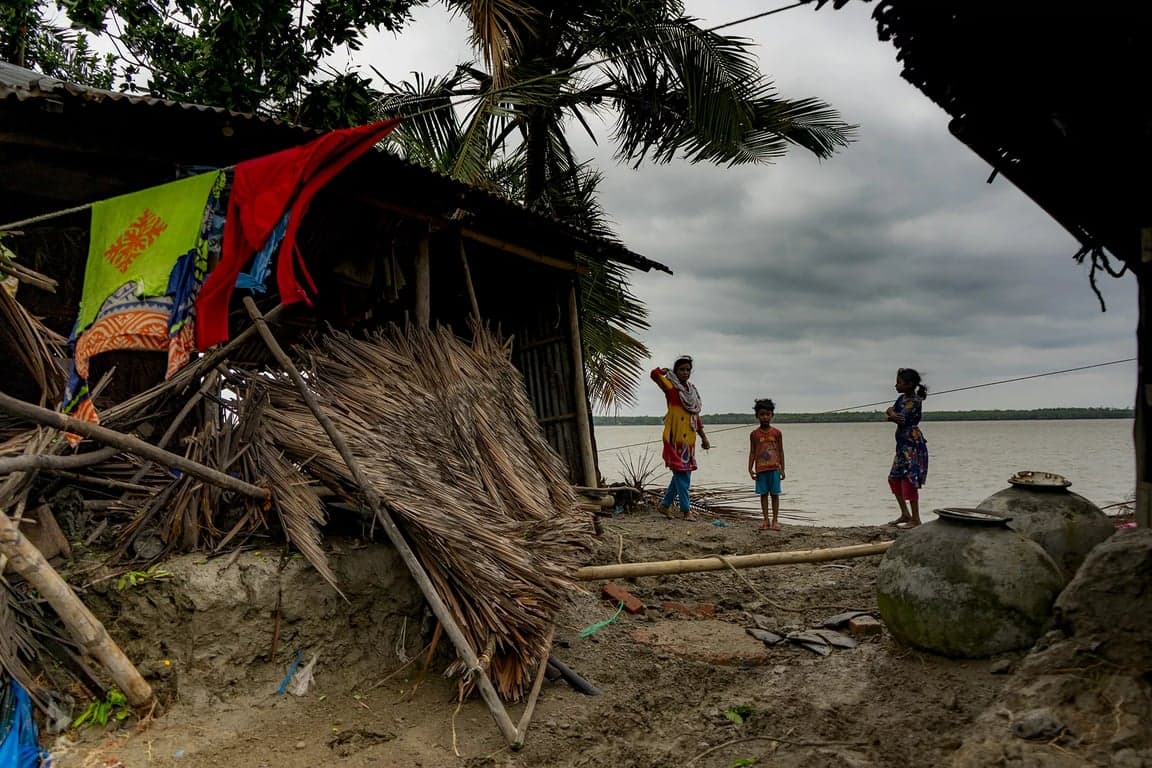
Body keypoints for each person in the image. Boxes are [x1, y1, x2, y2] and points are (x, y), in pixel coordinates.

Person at [651, 356, 710, 519]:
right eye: (681, 369)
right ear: (676, 371)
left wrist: (704, 438)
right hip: (675, 438)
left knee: (682, 473)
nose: (685, 372)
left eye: (688, 370)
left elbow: (696, 418)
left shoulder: (692, 392)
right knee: (683, 476)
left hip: (689, 440)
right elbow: (654, 375)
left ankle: (664, 505)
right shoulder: (671, 388)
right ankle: (686, 511)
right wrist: (663, 371)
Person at [886, 367, 929, 529]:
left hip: (912, 445)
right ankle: (905, 514)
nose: (896, 386)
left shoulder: (915, 401)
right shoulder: (901, 398)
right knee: (894, 478)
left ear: (910, 385)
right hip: (901, 446)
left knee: (909, 480)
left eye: (899, 383)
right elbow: (891, 410)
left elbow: (901, 419)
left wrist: (893, 416)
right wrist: (891, 413)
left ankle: (916, 519)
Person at [748, 398, 785, 531]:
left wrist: (783, 468)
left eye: (768, 414)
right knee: (763, 495)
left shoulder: (777, 433)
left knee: (775, 494)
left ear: (772, 415)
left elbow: (780, 451)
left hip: (774, 468)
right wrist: (750, 468)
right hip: (761, 470)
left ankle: (775, 520)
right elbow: (752, 451)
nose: (765, 417)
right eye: (762, 414)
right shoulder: (754, 434)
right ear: (757, 416)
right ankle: (765, 520)